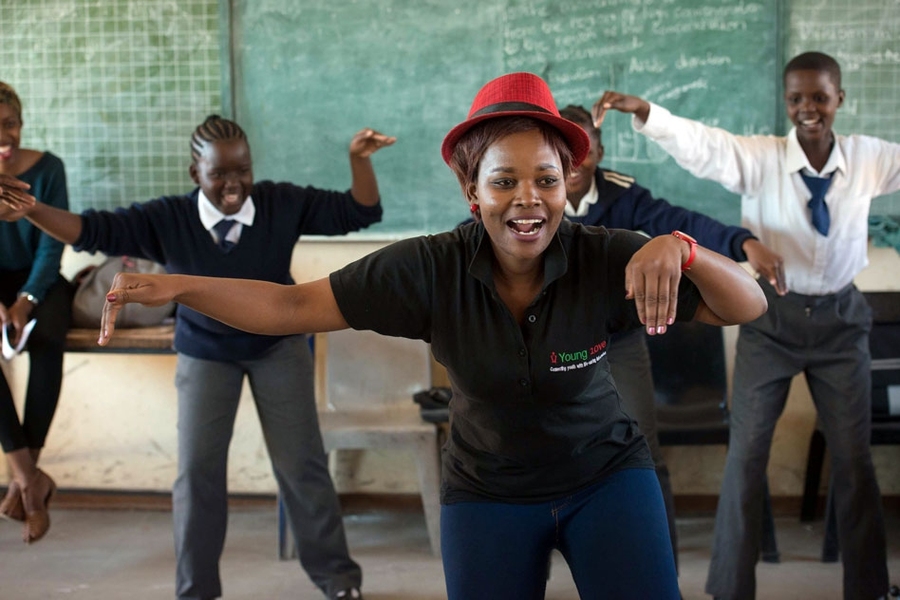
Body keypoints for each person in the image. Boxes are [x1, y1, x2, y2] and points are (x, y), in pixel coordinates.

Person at [2, 72, 769, 599]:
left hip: (607, 479)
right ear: (472, 191)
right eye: (504, 180)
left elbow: (749, 309)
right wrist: (177, 286)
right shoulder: (428, 269)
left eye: (546, 178)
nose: (527, 199)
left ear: (569, 183)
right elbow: (293, 307)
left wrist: (686, 249)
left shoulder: (608, 256)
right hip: (488, 492)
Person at [0, 114, 396, 600]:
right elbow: (89, 230)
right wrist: (35, 209)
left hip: (278, 348)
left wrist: (357, 161)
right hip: (206, 352)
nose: (234, 185)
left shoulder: (279, 203)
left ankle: (339, 582)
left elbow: (360, 212)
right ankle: (196, 592)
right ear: (195, 174)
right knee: (197, 477)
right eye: (220, 174)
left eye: (243, 171)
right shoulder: (166, 218)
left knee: (302, 467)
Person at [593, 51, 900, 600]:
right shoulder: (761, 158)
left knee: (854, 460)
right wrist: (649, 114)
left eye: (820, 98)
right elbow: (707, 148)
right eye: (797, 99)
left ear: (840, 100)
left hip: (841, 321)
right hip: (771, 320)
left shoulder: (869, 159)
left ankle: (870, 588)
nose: (808, 109)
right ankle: (729, 589)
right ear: (786, 102)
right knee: (747, 455)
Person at [557, 104, 782, 570]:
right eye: (564, 153)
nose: (574, 166)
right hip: (550, 345)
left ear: (597, 151)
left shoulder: (621, 196)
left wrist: (743, 242)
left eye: (586, 151)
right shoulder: (535, 193)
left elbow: (681, 222)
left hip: (617, 340)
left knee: (642, 452)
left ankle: (663, 572)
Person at [0, 81, 72, 544]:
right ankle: (30, 482)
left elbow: (52, 244)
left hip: (40, 280)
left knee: (47, 340)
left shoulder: (48, 169)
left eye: (9, 125)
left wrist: (26, 300)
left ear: (21, 124)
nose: (3, 138)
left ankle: (22, 480)